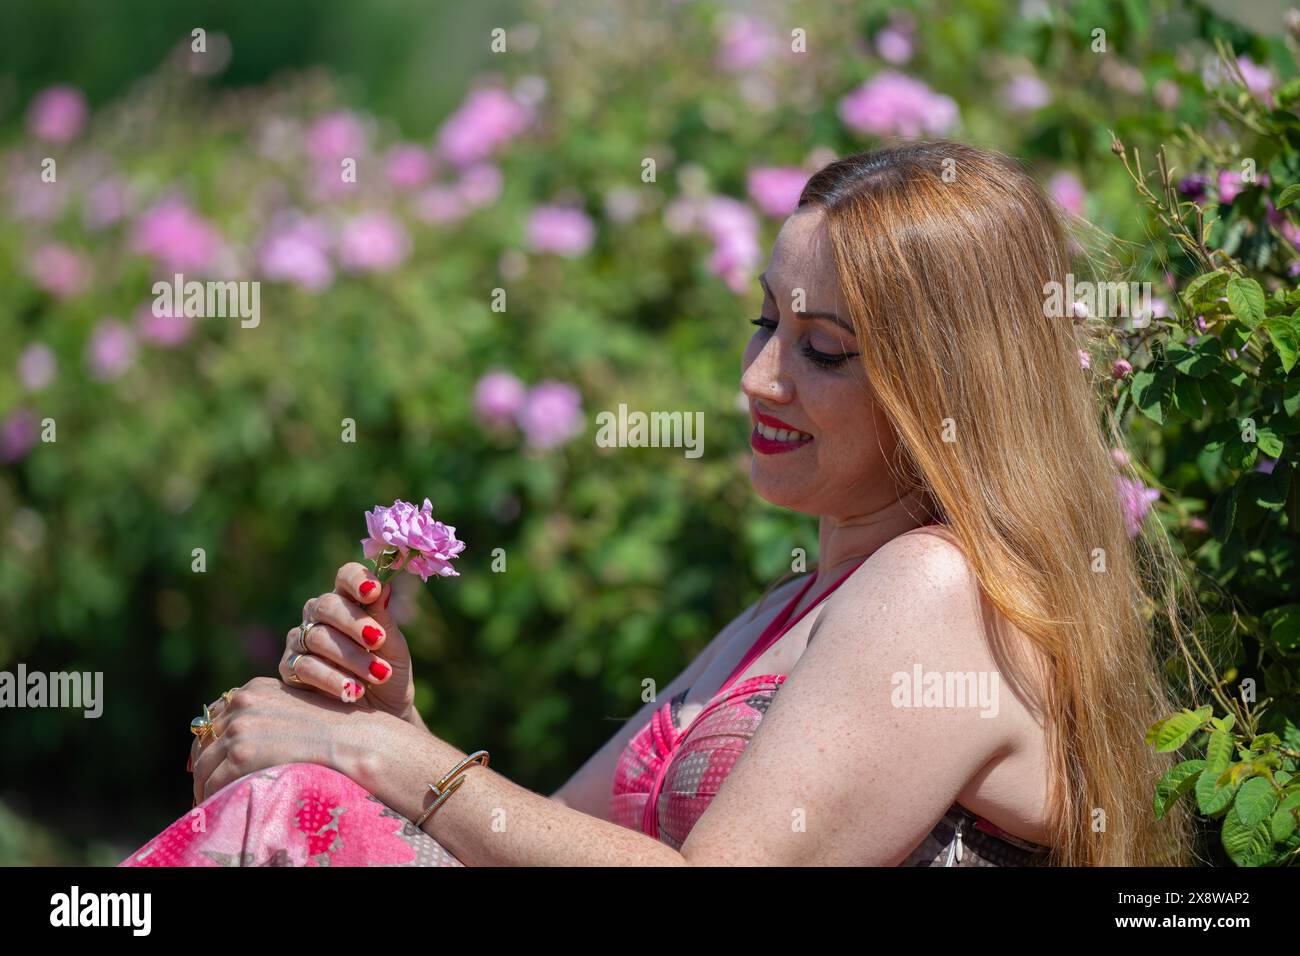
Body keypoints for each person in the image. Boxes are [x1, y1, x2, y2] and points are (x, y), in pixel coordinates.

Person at [122, 141, 1192, 867]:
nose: (760, 376)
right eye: (763, 321)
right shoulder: (795, 608)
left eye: (822, 349)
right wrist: (386, 723)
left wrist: (372, 760)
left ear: (948, 389)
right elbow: (542, 842)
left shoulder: (936, 591)